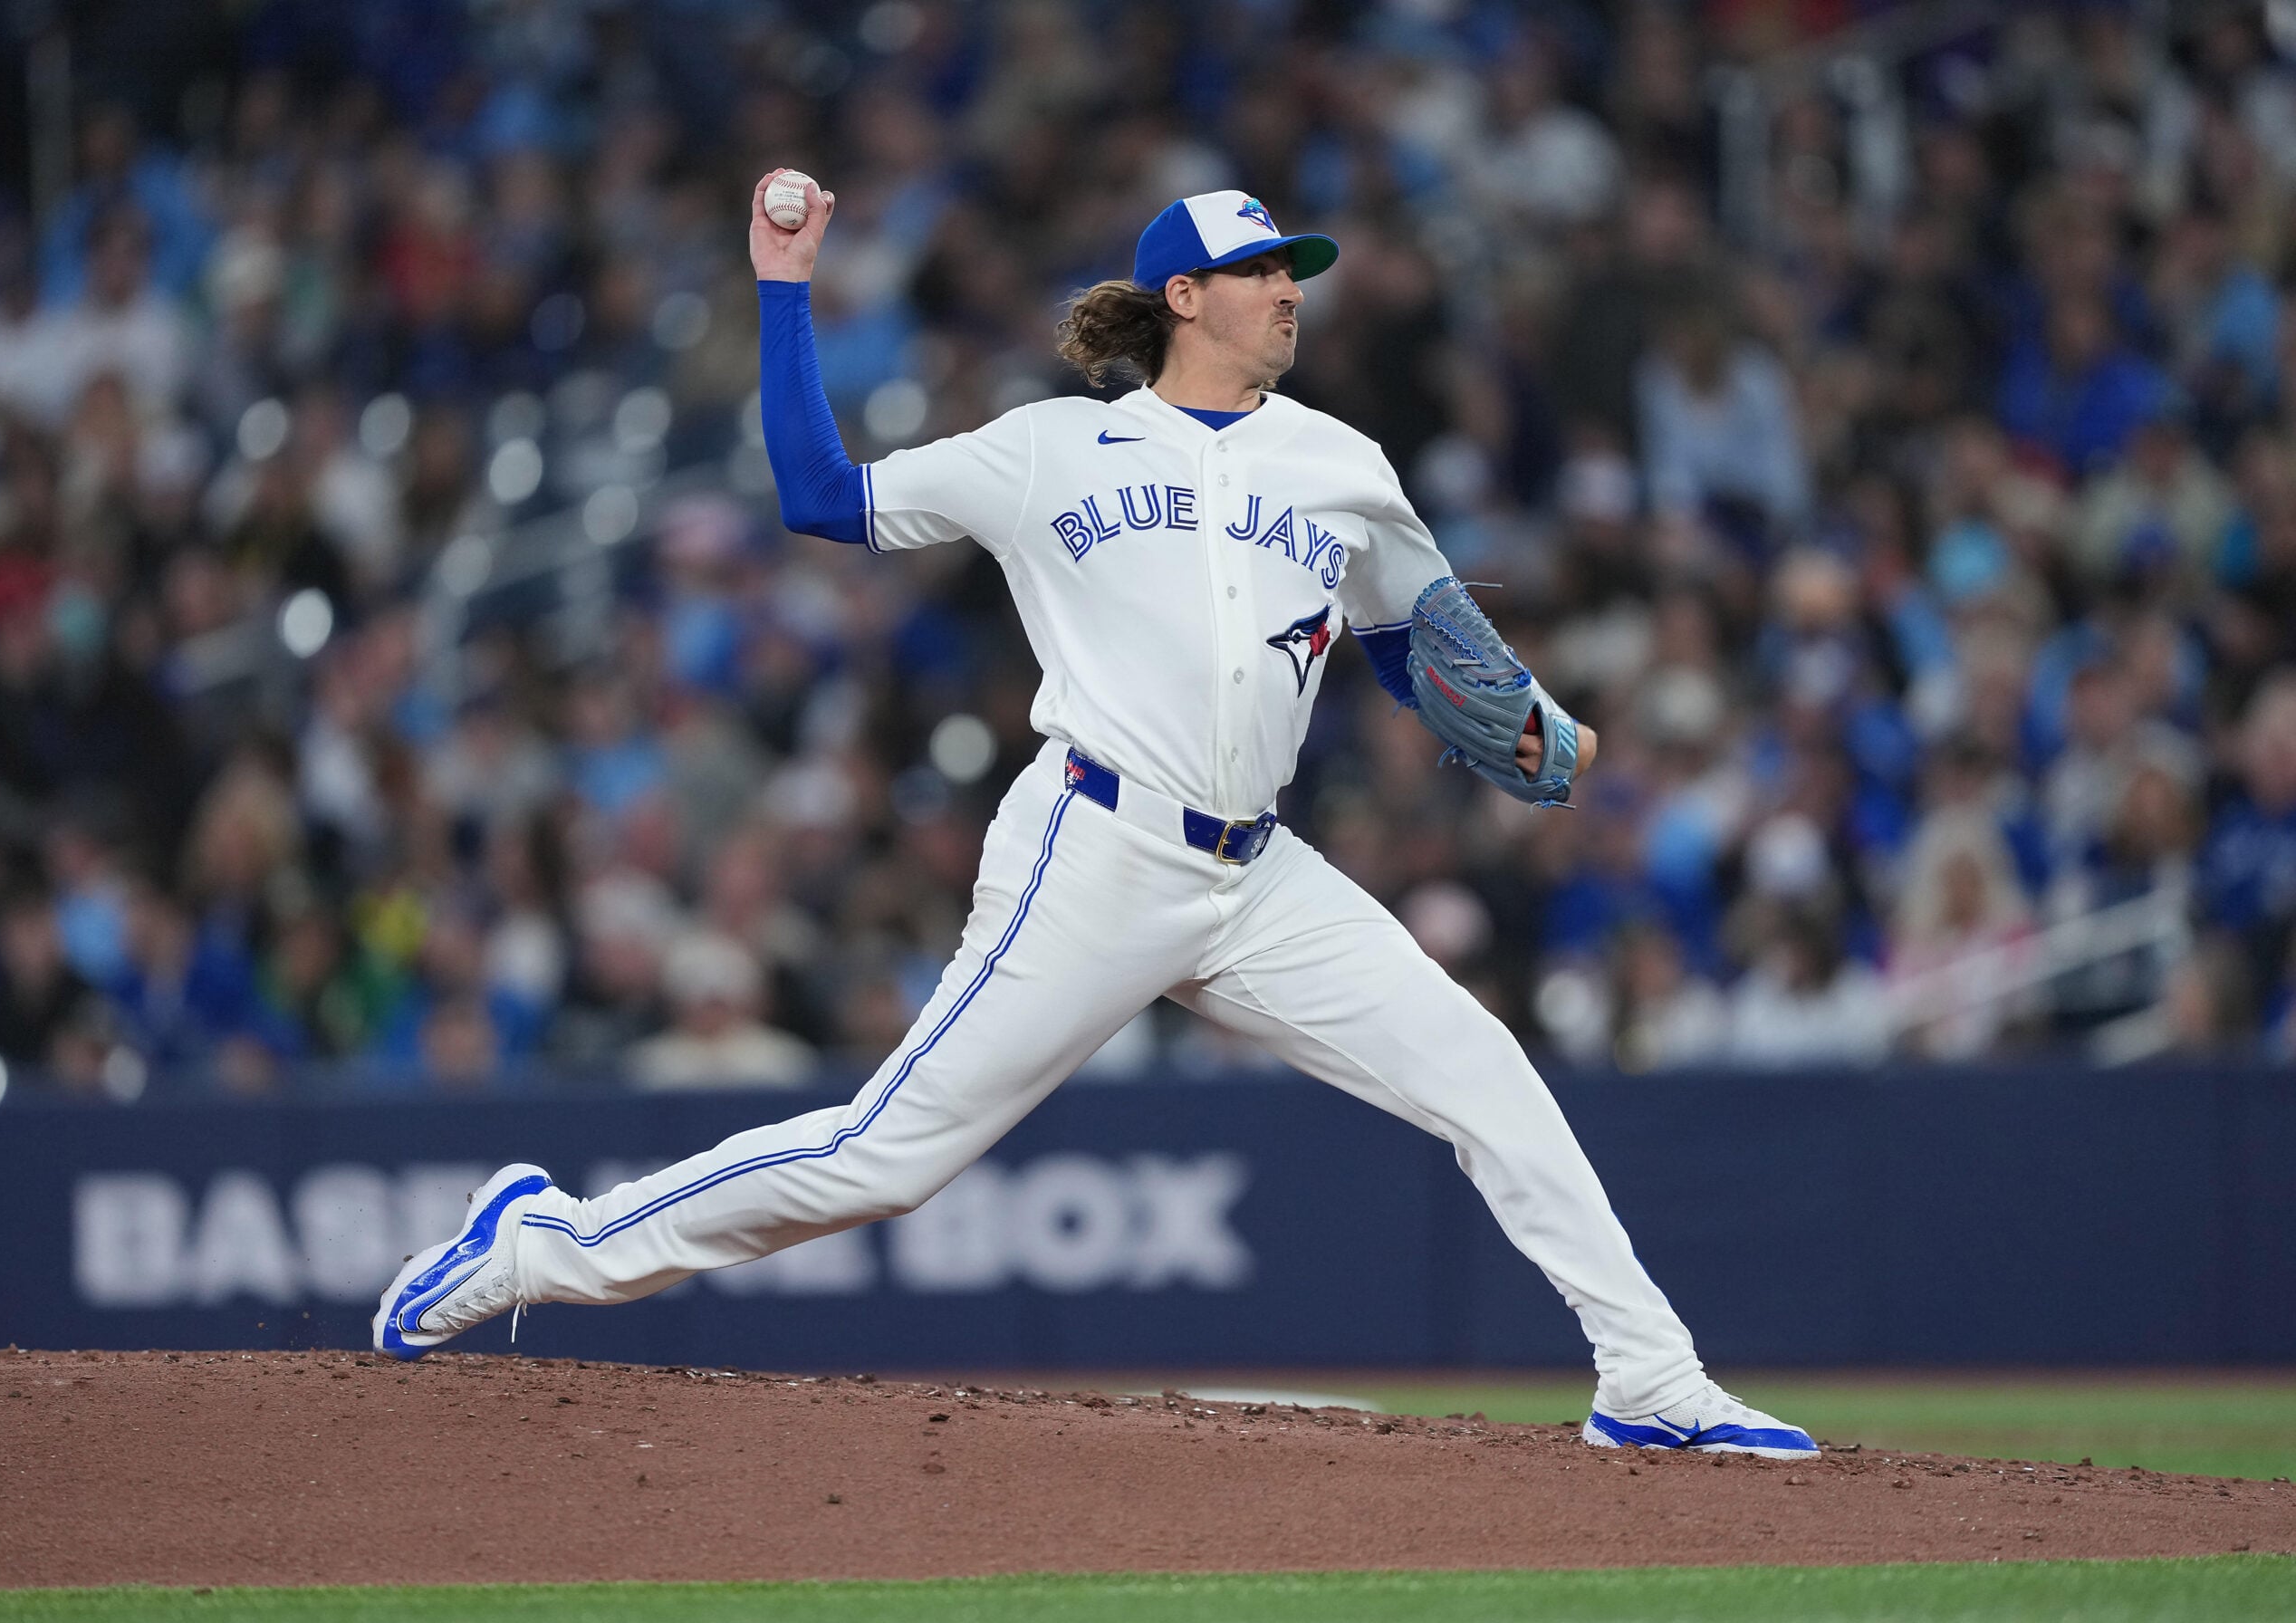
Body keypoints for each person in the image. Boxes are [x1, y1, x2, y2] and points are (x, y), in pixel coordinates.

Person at [373, 180, 1818, 1460]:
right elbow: (821, 498)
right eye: (1260, 272)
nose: (1287, 291)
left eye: (1294, 270)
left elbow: (1412, 636)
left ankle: (1655, 1379)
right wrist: (784, 288)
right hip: (1096, 846)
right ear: (1184, 297)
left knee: (1483, 1070)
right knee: (887, 1159)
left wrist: (1529, 717)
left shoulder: (1342, 465)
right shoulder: (1051, 449)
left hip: (1261, 874)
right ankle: (541, 1246)